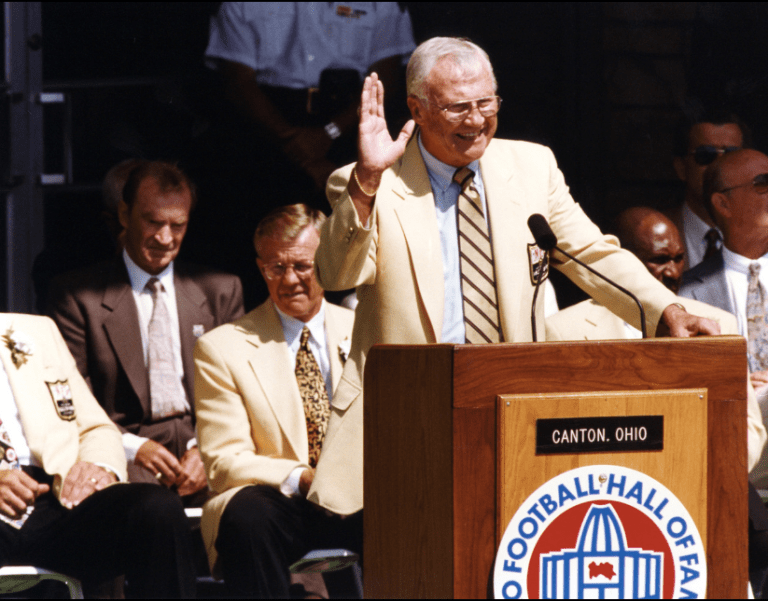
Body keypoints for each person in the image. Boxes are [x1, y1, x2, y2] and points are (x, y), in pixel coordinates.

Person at [310, 37, 720, 516]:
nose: (477, 120)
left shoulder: (530, 166)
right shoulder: (371, 179)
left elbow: (592, 253)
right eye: (458, 107)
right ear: (417, 110)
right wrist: (368, 181)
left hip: (512, 408)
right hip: (407, 417)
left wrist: (667, 309)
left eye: (487, 102)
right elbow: (336, 275)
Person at [48, 161, 244, 503]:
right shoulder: (78, 298)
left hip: (206, 445)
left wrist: (206, 448)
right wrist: (134, 448)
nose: (165, 238)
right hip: (127, 447)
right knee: (149, 511)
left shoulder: (220, 291)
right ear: (125, 215)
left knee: (249, 508)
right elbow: (72, 404)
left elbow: (238, 392)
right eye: (153, 222)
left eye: (177, 225)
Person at [194, 205, 357, 597]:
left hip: (360, 496)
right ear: (260, 267)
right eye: (274, 268)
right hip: (286, 502)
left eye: (303, 266)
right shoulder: (222, 348)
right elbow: (223, 461)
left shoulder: (366, 331)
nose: (289, 280)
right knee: (246, 514)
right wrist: (301, 477)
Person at [546, 206, 766, 469]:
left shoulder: (717, 325)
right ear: (626, 262)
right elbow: (556, 431)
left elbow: (748, 426)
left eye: (678, 258)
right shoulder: (563, 331)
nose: (672, 272)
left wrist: (717, 469)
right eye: (659, 259)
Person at [0, 312, 195, 597]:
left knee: (156, 509)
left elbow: (96, 427)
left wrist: (97, 466)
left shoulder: (33, 330)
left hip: (55, 496)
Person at [670, 109, 746, 269]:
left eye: (732, 156)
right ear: (681, 168)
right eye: (705, 155)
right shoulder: (654, 235)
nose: (720, 166)